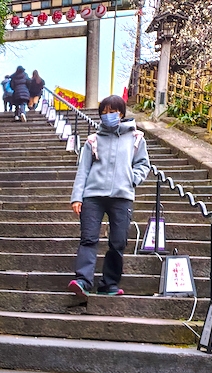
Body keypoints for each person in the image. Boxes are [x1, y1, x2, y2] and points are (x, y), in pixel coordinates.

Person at [68, 95, 151, 297]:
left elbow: (143, 164)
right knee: (88, 238)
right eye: (103, 112)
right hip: (93, 196)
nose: (108, 116)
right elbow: (83, 170)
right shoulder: (93, 140)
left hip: (122, 197)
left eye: (112, 112)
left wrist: (132, 178)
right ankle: (82, 281)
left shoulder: (136, 138)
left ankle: (109, 284)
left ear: (121, 113)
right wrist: (77, 197)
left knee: (118, 242)